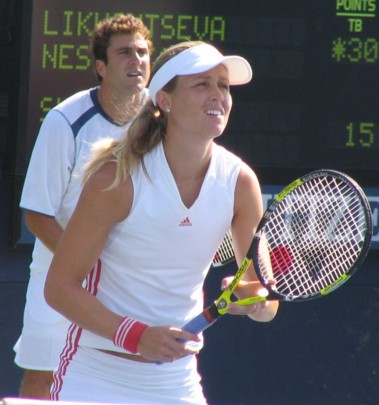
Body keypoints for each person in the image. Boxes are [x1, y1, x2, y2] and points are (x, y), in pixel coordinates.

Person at [44, 40, 279, 404]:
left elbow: (264, 300)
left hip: (176, 381)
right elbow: (59, 288)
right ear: (165, 101)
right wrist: (135, 335)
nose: (217, 94)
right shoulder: (116, 180)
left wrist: (252, 301)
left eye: (223, 85)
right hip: (95, 374)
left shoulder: (240, 183)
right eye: (201, 84)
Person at [14, 14, 153, 399]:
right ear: (101, 67)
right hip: (59, 276)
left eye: (142, 52)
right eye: (125, 53)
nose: (137, 61)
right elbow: (37, 215)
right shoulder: (65, 121)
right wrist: (81, 264)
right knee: (43, 380)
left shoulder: (163, 121)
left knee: (125, 384)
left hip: (129, 283)